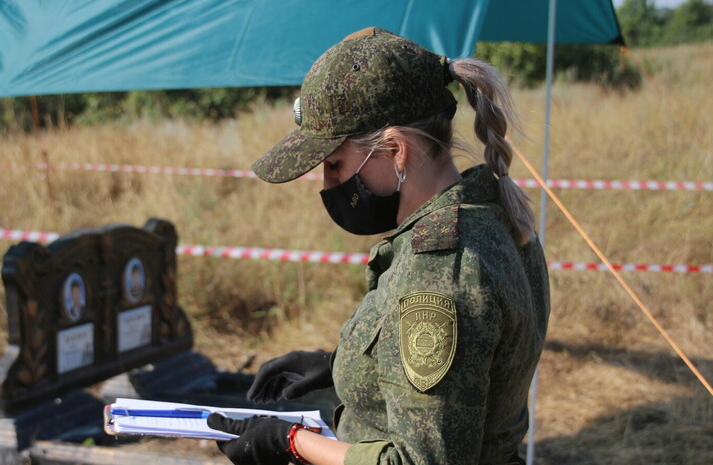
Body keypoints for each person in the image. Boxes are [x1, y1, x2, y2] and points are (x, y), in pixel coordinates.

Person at [206, 27, 551, 465]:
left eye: (334, 165)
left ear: (395, 150)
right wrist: (339, 366)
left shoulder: (440, 267)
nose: (328, 184)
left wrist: (291, 441)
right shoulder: (492, 215)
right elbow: (468, 373)